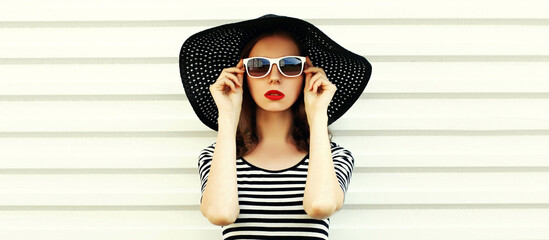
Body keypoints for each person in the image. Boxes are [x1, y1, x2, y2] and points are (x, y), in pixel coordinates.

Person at [179, 14, 372, 240]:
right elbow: (220, 213)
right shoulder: (216, 155)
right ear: (243, 76)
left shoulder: (336, 157)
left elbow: (321, 205)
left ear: (306, 76)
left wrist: (318, 113)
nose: (274, 77)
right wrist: (228, 115)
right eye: (259, 66)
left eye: (290, 65)